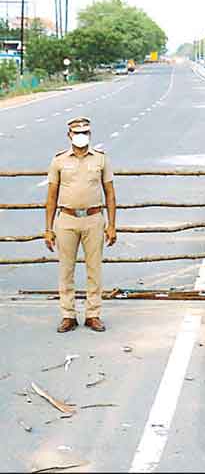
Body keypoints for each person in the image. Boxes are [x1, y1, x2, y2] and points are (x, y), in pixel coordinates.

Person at [44, 117, 117, 333]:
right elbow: (51, 196)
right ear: (69, 136)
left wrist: (112, 225)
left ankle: (93, 314)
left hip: (94, 218)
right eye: (77, 132)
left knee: (94, 269)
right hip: (66, 218)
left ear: (90, 135)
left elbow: (110, 194)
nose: (81, 136)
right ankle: (68, 315)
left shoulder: (101, 159)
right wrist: (48, 229)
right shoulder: (59, 160)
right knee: (66, 270)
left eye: (85, 132)